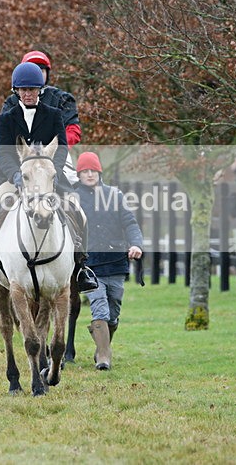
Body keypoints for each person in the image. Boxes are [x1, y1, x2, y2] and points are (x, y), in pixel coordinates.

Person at [0, 62, 98, 293]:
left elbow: (62, 148)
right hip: (15, 177)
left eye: (33, 89)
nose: (28, 94)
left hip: (48, 177)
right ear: (16, 91)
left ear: (40, 90)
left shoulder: (54, 115)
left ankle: (81, 267)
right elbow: (3, 153)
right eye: (23, 89)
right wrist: (15, 175)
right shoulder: (7, 117)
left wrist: (52, 174)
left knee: (79, 211)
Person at [74, 152, 143, 370]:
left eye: (92, 170)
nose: (89, 174)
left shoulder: (114, 194)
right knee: (100, 309)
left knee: (113, 312)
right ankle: (104, 356)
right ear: (79, 174)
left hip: (116, 263)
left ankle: (101, 347)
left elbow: (130, 223)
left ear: (99, 172)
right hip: (89, 265)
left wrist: (136, 244)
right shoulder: (73, 197)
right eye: (84, 171)